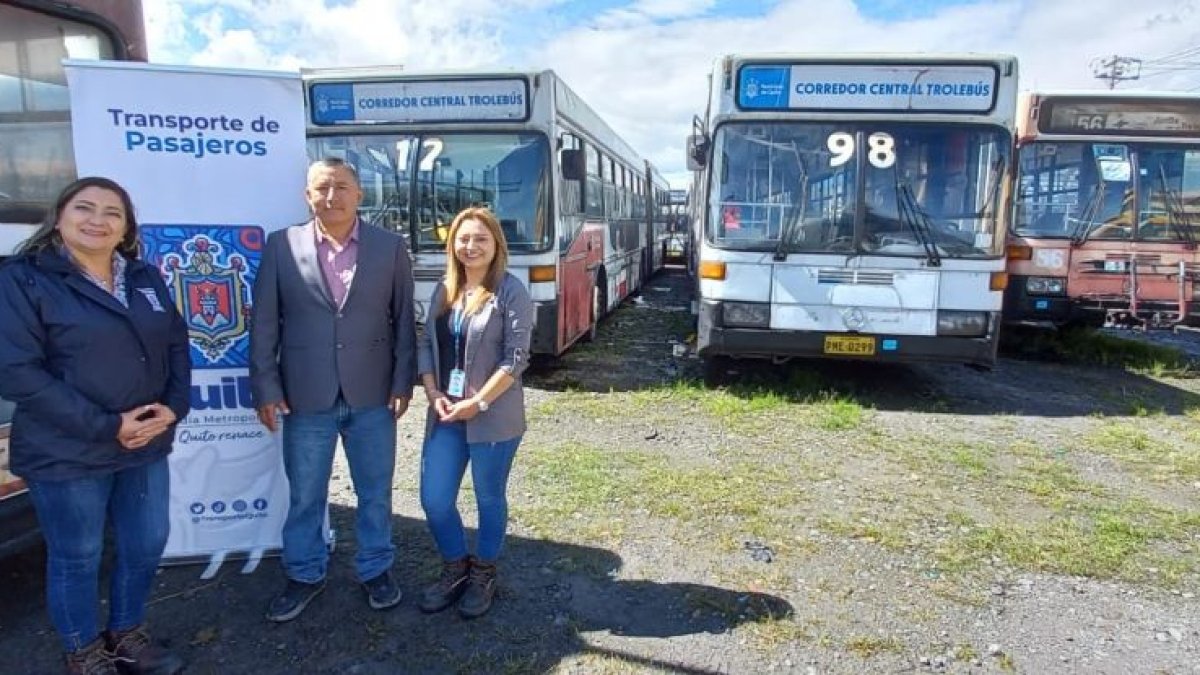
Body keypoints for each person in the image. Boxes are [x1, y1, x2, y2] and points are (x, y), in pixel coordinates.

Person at [0, 177, 190, 675]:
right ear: (59, 217)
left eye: (112, 213)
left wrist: (174, 406)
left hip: (144, 443)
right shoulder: (23, 278)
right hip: (66, 450)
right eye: (84, 208)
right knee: (78, 555)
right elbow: (15, 371)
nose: (98, 221)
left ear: (126, 228)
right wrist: (107, 426)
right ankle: (83, 652)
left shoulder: (144, 277)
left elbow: (175, 343)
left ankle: (126, 635)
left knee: (146, 542)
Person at [249, 158, 416, 622]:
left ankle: (376, 568)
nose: (332, 195)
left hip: (373, 394)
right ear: (307, 196)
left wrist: (402, 380)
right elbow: (264, 322)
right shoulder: (282, 245)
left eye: (342, 186)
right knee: (306, 495)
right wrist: (265, 385)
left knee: (375, 492)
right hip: (305, 394)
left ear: (359, 194)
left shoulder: (389, 247)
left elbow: (404, 319)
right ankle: (304, 573)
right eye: (321, 187)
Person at [416, 206, 534, 619]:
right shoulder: (444, 289)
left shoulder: (511, 291)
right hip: (447, 413)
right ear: (452, 245)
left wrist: (479, 402)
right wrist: (433, 392)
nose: (471, 246)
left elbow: (515, 358)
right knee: (434, 499)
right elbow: (426, 343)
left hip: (493, 417)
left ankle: (483, 572)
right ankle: (456, 566)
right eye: (463, 239)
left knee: (488, 497)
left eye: (480, 239)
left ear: (496, 244)